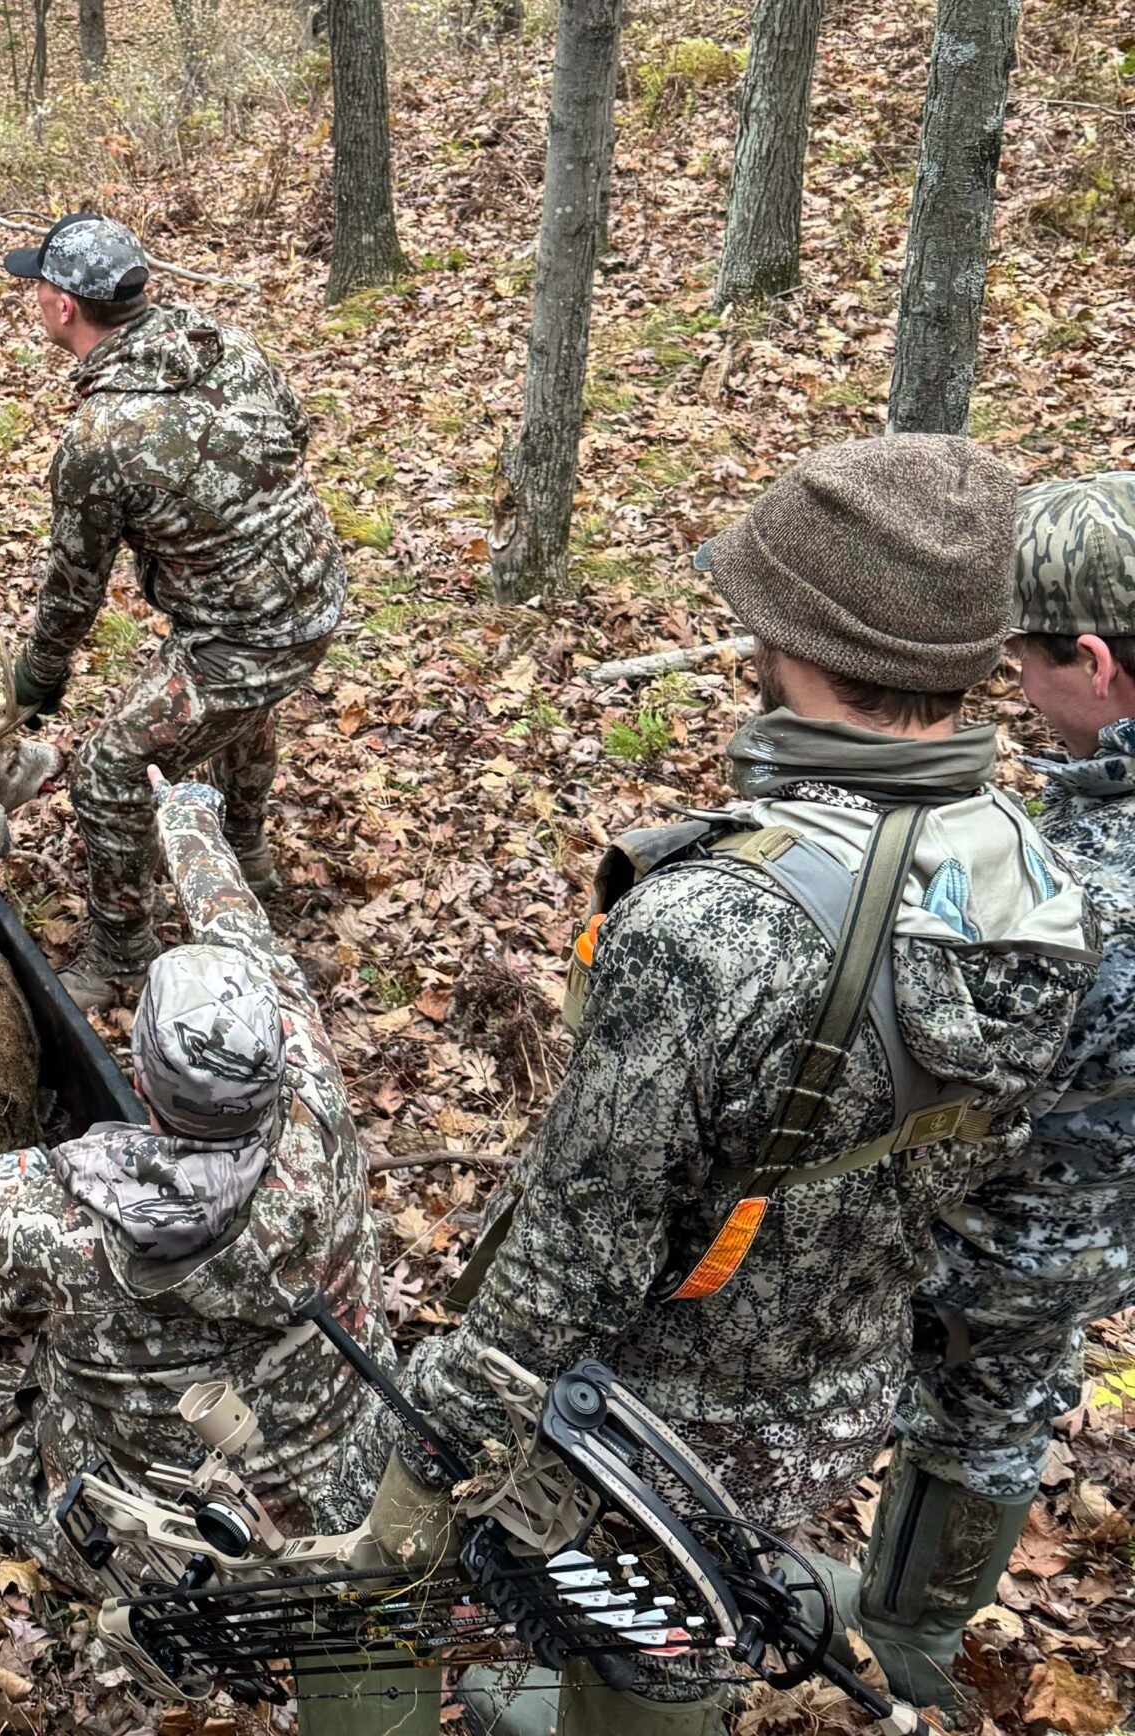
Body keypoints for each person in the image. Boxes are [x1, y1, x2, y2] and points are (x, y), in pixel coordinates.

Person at [372, 436, 1097, 1736]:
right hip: (837, 1393)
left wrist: (421, 1478)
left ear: (800, 642)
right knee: (688, 1606)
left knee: (642, 1660)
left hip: (648, 1434)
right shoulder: (1034, 871)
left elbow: (570, 1268)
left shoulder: (707, 927)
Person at [0, 775, 408, 1730]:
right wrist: (189, 817)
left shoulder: (59, 1220)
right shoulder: (316, 1097)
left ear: (139, 1077)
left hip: (182, 1539)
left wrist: (24, 1184)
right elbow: (244, 931)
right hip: (358, 1476)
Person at [822, 474, 1135, 1707]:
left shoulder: (1082, 899)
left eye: (1027, 664)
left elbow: (916, 1059)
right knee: (999, 1408)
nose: (1017, 688)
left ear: (1097, 660)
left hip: (994, 1233)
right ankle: (912, 1620)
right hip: (1094, 1227)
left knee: (955, 1399)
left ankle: (870, 1642)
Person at [0, 211, 348, 1011]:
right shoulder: (221, 342)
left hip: (245, 634)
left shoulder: (101, 440)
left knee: (107, 770)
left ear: (61, 307)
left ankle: (123, 955)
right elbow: (293, 433)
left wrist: (38, 675)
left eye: (37, 288)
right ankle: (249, 859)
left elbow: (74, 589)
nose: (34, 301)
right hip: (314, 592)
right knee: (243, 718)